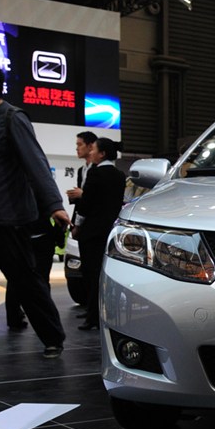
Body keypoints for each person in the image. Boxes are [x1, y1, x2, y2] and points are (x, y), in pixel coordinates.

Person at [0, 59, 71, 362]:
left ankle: (52, 337)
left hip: (6, 219)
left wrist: (54, 205)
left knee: (25, 281)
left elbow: (36, 163)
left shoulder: (11, 117)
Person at [73, 137, 126, 331]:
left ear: (102, 154)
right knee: (103, 273)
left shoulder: (95, 173)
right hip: (109, 230)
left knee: (90, 273)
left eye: (93, 149)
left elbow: (85, 205)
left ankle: (92, 316)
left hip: (92, 231)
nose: (91, 152)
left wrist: (77, 223)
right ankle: (101, 313)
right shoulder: (120, 175)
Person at [66, 130, 97, 319]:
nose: (77, 148)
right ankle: (88, 308)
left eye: (80, 144)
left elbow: (97, 198)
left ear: (91, 146)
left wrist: (83, 195)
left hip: (94, 226)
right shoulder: (81, 170)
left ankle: (94, 310)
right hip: (81, 223)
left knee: (93, 269)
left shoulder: (99, 170)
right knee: (84, 268)